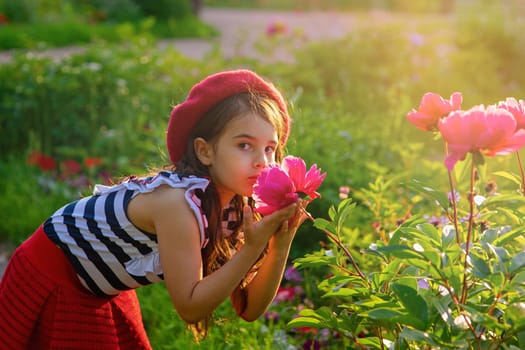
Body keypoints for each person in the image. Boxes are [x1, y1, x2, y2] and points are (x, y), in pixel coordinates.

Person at [0, 69, 306, 349]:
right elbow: (190, 307)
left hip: (101, 285)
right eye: (244, 145)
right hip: (53, 277)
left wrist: (279, 244)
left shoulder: (235, 205)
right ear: (205, 150)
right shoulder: (177, 203)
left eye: (269, 148)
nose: (261, 161)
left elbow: (249, 309)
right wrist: (251, 248)